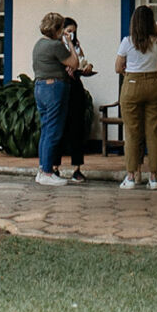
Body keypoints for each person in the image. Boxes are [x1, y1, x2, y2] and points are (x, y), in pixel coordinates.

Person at [114, 4, 157, 190]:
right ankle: (154, 177)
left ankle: (131, 176)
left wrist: (130, 75)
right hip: (154, 83)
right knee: (153, 131)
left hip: (132, 84)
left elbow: (118, 67)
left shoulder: (127, 42)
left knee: (132, 132)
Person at [31, 11, 79, 186]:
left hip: (40, 87)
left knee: (46, 130)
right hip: (54, 88)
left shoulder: (39, 44)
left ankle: (42, 169)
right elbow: (74, 63)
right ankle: (47, 172)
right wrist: (70, 43)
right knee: (53, 131)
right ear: (58, 28)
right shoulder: (55, 46)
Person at [54, 18, 97, 182]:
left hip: (75, 86)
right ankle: (55, 166)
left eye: (73, 31)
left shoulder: (76, 45)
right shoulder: (57, 46)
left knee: (76, 127)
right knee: (59, 126)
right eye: (68, 31)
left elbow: (82, 61)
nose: (71, 34)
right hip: (61, 86)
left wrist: (87, 67)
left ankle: (77, 168)